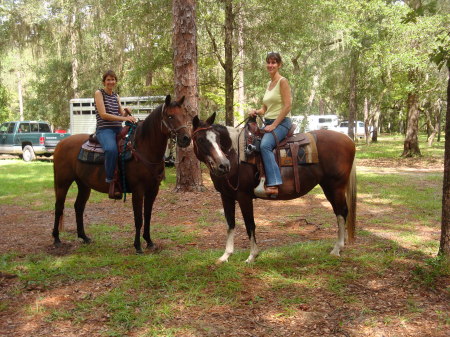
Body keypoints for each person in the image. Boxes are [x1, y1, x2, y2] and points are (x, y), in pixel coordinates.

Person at [249, 52, 292, 196]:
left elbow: (287, 106)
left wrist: (274, 125)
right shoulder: (269, 84)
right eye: (268, 62)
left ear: (279, 65)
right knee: (251, 142)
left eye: (274, 62)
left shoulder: (282, 81)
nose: (270, 65)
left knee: (265, 145)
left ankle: (274, 183)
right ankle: (258, 179)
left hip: (281, 123)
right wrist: (256, 111)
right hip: (267, 122)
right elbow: (265, 109)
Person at [94, 70, 136, 199]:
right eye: (108, 80)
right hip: (104, 130)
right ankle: (110, 179)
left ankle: (128, 178)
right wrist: (124, 119)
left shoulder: (116, 96)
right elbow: (103, 115)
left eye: (113, 79)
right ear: (104, 82)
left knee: (131, 147)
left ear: (115, 82)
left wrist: (126, 113)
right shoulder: (99, 93)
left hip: (118, 129)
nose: (111, 82)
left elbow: (120, 115)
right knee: (111, 149)